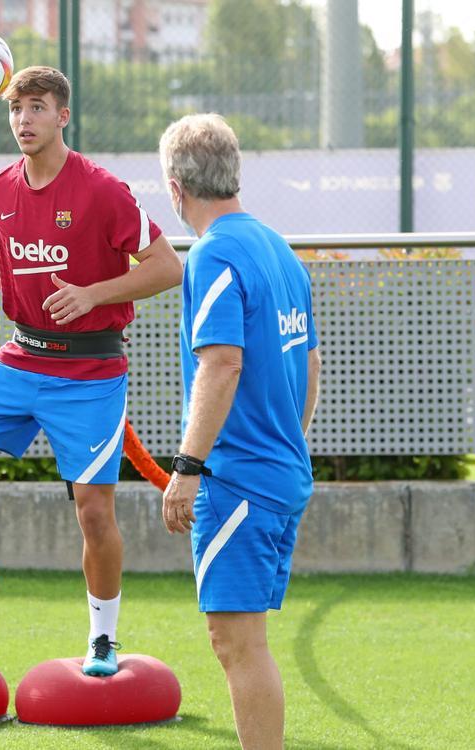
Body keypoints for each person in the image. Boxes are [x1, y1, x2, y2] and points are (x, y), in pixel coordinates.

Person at [0, 66, 183, 677]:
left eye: (37, 108)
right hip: (21, 355)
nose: (24, 120)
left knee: (93, 511)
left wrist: (93, 293)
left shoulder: (102, 190)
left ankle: (103, 639)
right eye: (16, 110)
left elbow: (167, 267)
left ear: (63, 116)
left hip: (91, 369)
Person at [158, 113, 321, 750]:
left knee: (237, 643)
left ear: (176, 188)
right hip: (280, 475)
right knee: (244, 641)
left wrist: (187, 469)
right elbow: (309, 359)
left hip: (239, 480)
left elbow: (222, 362)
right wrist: (294, 443)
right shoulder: (276, 247)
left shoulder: (214, 252)